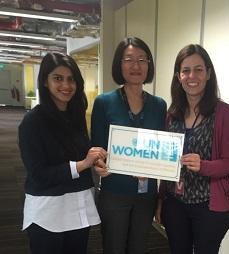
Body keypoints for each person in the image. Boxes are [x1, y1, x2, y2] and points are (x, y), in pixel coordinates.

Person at [18, 52, 107, 254]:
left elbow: (80, 154)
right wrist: (83, 164)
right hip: (48, 212)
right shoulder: (32, 122)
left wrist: (95, 163)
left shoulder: (76, 117)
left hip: (78, 206)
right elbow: (38, 174)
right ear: (45, 82)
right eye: (58, 78)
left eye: (71, 79)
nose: (66, 85)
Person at [155, 44, 229, 254]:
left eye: (199, 69)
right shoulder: (171, 114)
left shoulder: (224, 113)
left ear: (208, 73)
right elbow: (166, 164)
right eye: (186, 70)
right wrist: (160, 200)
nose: (192, 76)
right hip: (175, 203)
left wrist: (203, 166)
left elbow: (228, 164)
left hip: (208, 207)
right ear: (178, 76)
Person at [91, 37, 167, 254]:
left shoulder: (159, 105)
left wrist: (156, 166)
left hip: (146, 194)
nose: (136, 66)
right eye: (129, 60)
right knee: (113, 247)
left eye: (142, 60)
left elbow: (161, 148)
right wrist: (99, 163)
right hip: (114, 190)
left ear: (149, 65)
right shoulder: (104, 102)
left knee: (139, 247)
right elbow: (96, 148)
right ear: (119, 64)